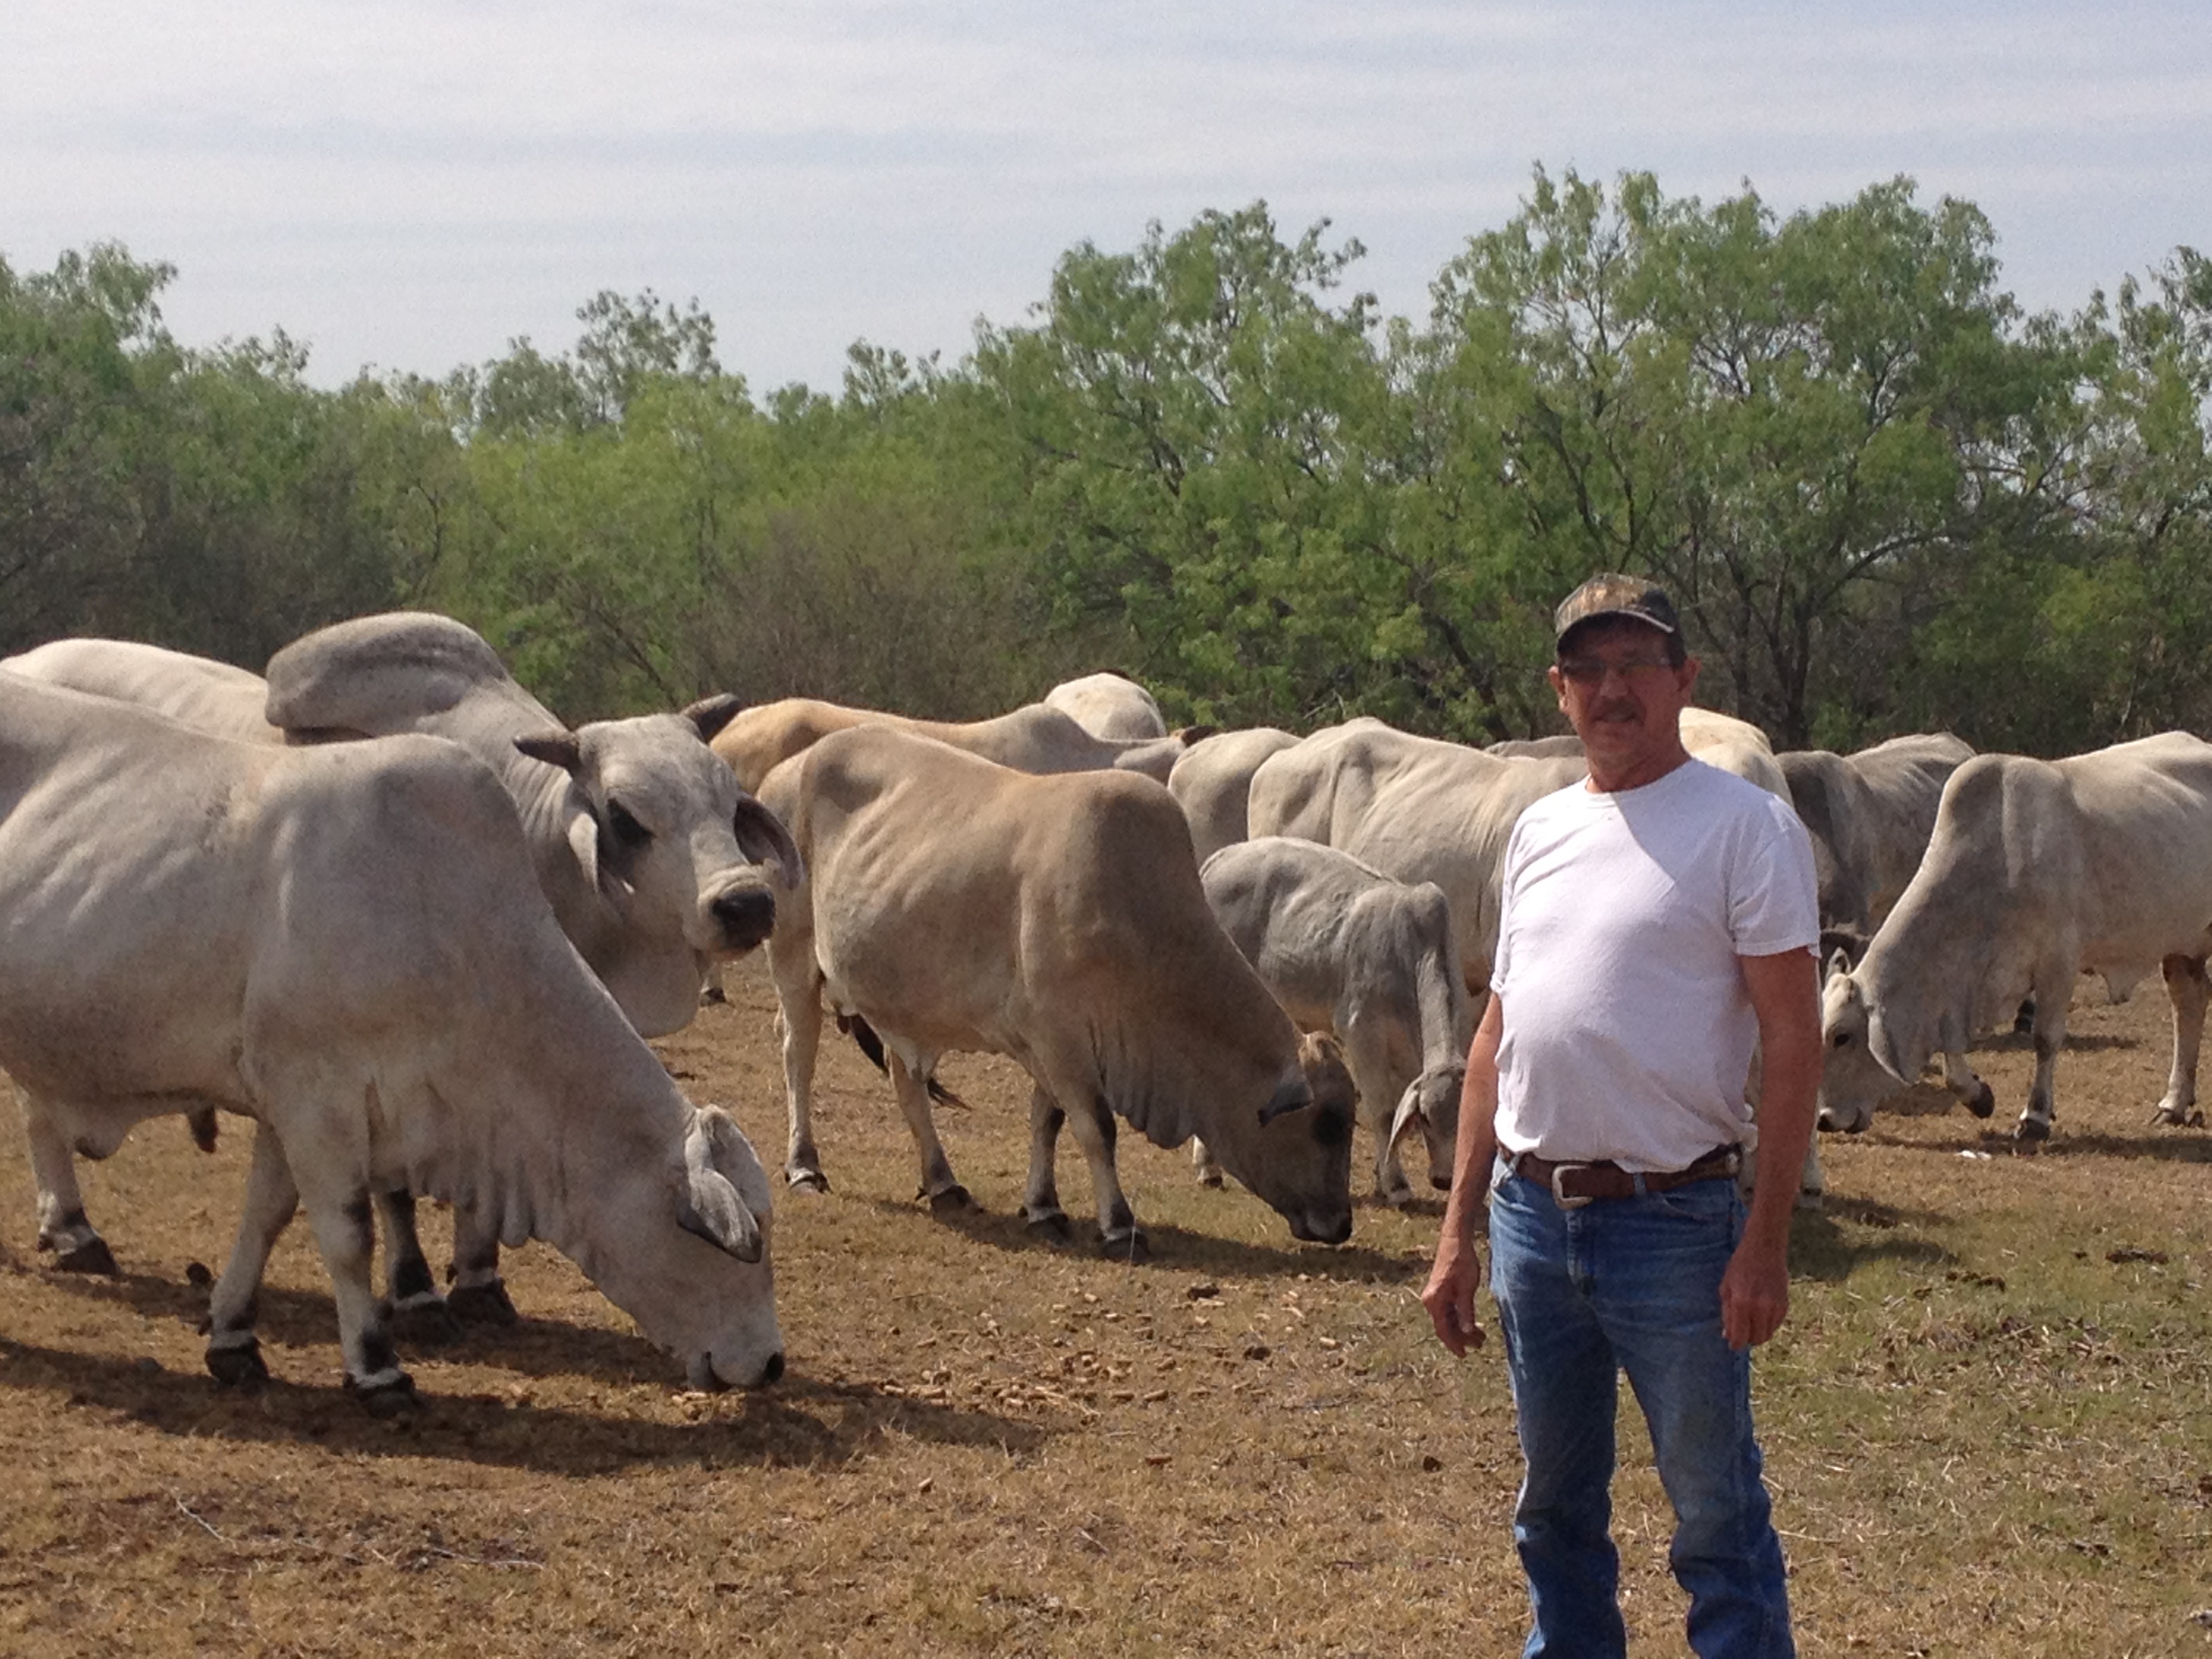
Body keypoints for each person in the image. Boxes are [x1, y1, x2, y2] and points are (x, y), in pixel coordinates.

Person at [1420, 573, 1822, 1659]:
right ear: (1560, 692)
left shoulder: (1746, 829)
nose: (1613, 688)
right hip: (1533, 1221)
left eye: (1636, 663)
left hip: (1675, 1225)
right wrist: (1458, 1233)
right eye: (1588, 668)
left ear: (1683, 680)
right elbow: (1495, 1041)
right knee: (1554, 1514)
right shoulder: (1538, 829)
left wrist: (1766, 1243)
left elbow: (1793, 1041)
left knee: (1716, 1523)